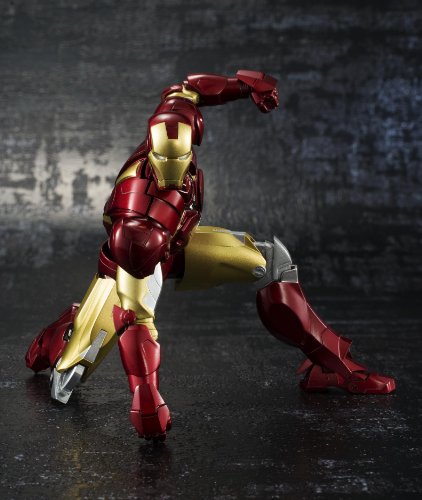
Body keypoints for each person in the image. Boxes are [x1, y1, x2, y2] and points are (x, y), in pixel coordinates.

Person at [26, 70, 395, 442]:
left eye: (180, 158)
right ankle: (61, 336)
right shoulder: (137, 215)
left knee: (273, 264)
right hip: (133, 265)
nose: (173, 170)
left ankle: (332, 367)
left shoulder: (177, 119)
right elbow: (136, 319)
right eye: (165, 162)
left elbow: (190, 88)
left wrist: (245, 86)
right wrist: (146, 397)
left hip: (177, 245)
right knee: (66, 379)